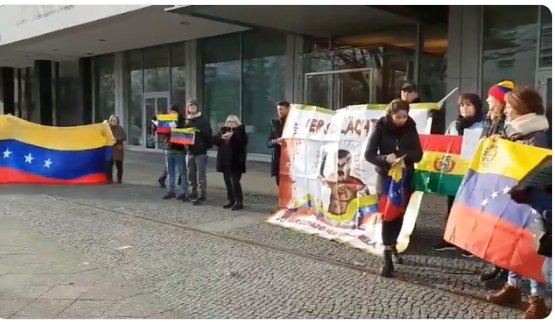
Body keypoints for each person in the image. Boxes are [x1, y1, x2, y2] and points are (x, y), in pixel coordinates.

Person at [486, 87, 551, 319]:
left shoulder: (539, 135)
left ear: (524, 109)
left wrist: (524, 188)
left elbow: (541, 171)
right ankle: (513, 288)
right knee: (513, 242)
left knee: (533, 249)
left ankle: (538, 299)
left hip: (534, 201)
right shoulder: (514, 130)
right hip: (515, 197)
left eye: (511, 106)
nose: (508, 110)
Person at [365, 99, 423, 277]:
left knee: (398, 214)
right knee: (387, 215)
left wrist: (402, 156)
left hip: (404, 177)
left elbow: (418, 154)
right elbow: (369, 154)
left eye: (405, 116)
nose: (402, 120)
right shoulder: (380, 127)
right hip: (386, 178)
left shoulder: (410, 127)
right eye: (398, 117)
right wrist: (385, 159)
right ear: (390, 115)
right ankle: (387, 256)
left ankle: (394, 244)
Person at [433, 93, 484, 254]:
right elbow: (446, 144)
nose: (464, 108)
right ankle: (449, 237)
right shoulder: (454, 125)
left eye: (468, 105)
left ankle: (468, 241)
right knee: (452, 205)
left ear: (476, 107)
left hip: (474, 173)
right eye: (462, 105)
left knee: (470, 207)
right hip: (454, 172)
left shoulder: (483, 126)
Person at [478, 80, 515, 282]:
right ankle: (496, 263)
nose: (487, 100)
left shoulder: (507, 122)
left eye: (491, 97)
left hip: (502, 178)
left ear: (500, 100)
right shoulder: (490, 119)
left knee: (503, 224)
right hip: (489, 175)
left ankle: (506, 269)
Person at [213, 115, 248, 211]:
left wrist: (233, 135)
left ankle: (239, 201)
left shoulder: (241, 131)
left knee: (235, 182)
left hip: (236, 161)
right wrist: (221, 137)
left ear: (237, 123)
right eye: (229, 122)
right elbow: (214, 140)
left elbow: (242, 143)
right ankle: (231, 200)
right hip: (225, 161)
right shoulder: (223, 130)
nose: (230, 123)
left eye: (233, 122)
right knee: (228, 182)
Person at [184, 99, 213, 205]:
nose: (192, 108)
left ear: (197, 108)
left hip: (200, 151)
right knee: (190, 174)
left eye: (194, 106)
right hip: (189, 151)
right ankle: (193, 192)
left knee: (201, 175)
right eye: (190, 106)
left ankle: (202, 194)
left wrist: (199, 131)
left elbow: (209, 135)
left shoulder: (203, 120)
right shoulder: (186, 121)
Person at [162, 105, 188, 201]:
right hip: (169, 149)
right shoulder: (167, 122)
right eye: (170, 112)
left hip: (179, 149)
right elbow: (163, 133)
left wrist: (176, 126)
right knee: (170, 172)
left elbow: (185, 134)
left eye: (174, 112)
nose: (172, 113)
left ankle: (183, 191)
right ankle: (170, 191)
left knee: (182, 172)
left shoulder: (182, 121)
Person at [268, 101, 290, 186]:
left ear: (288, 109)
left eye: (281, 109)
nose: (279, 112)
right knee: (280, 184)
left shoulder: (293, 124)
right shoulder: (275, 124)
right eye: (278, 110)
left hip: (290, 158)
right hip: (278, 158)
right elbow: (269, 142)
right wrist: (276, 141)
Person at [106, 115, 127, 184]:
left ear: (117, 121)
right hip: (110, 149)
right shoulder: (107, 129)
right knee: (109, 165)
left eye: (115, 120)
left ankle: (119, 179)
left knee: (119, 165)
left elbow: (124, 137)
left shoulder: (120, 128)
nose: (114, 121)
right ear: (110, 121)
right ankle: (109, 179)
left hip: (118, 149)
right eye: (112, 120)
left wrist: (116, 139)